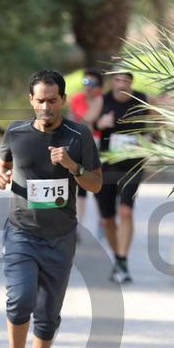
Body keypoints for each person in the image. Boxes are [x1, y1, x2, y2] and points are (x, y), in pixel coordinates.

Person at [0, 69, 102, 348]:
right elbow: (1, 163)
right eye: (40, 100)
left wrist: (72, 166)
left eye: (53, 101)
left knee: (47, 312)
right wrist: (0, 176)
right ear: (31, 100)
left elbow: (96, 183)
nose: (46, 107)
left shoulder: (78, 135)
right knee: (20, 299)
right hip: (21, 232)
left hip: (60, 236)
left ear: (63, 100)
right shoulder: (15, 132)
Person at [94, 71, 149, 284]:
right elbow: (86, 120)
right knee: (107, 218)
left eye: (126, 80)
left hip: (132, 164)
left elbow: (161, 117)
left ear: (131, 83)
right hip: (107, 165)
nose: (122, 83)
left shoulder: (141, 99)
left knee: (125, 211)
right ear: (113, 81)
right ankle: (118, 258)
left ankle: (122, 259)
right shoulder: (104, 99)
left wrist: (151, 137)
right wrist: (100, 123)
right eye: (118, 79)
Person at [68, 68, 104, 229]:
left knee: (99, 183)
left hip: (100, 145)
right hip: (81, 143)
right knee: (80, 182)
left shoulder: (103, 100)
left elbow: (87, 121)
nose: (88, 86)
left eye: (92, 83)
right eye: (85, 82)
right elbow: (76, 121)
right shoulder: (77, 99)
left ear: (99, 86)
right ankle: (79, 223)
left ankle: (102, 220)